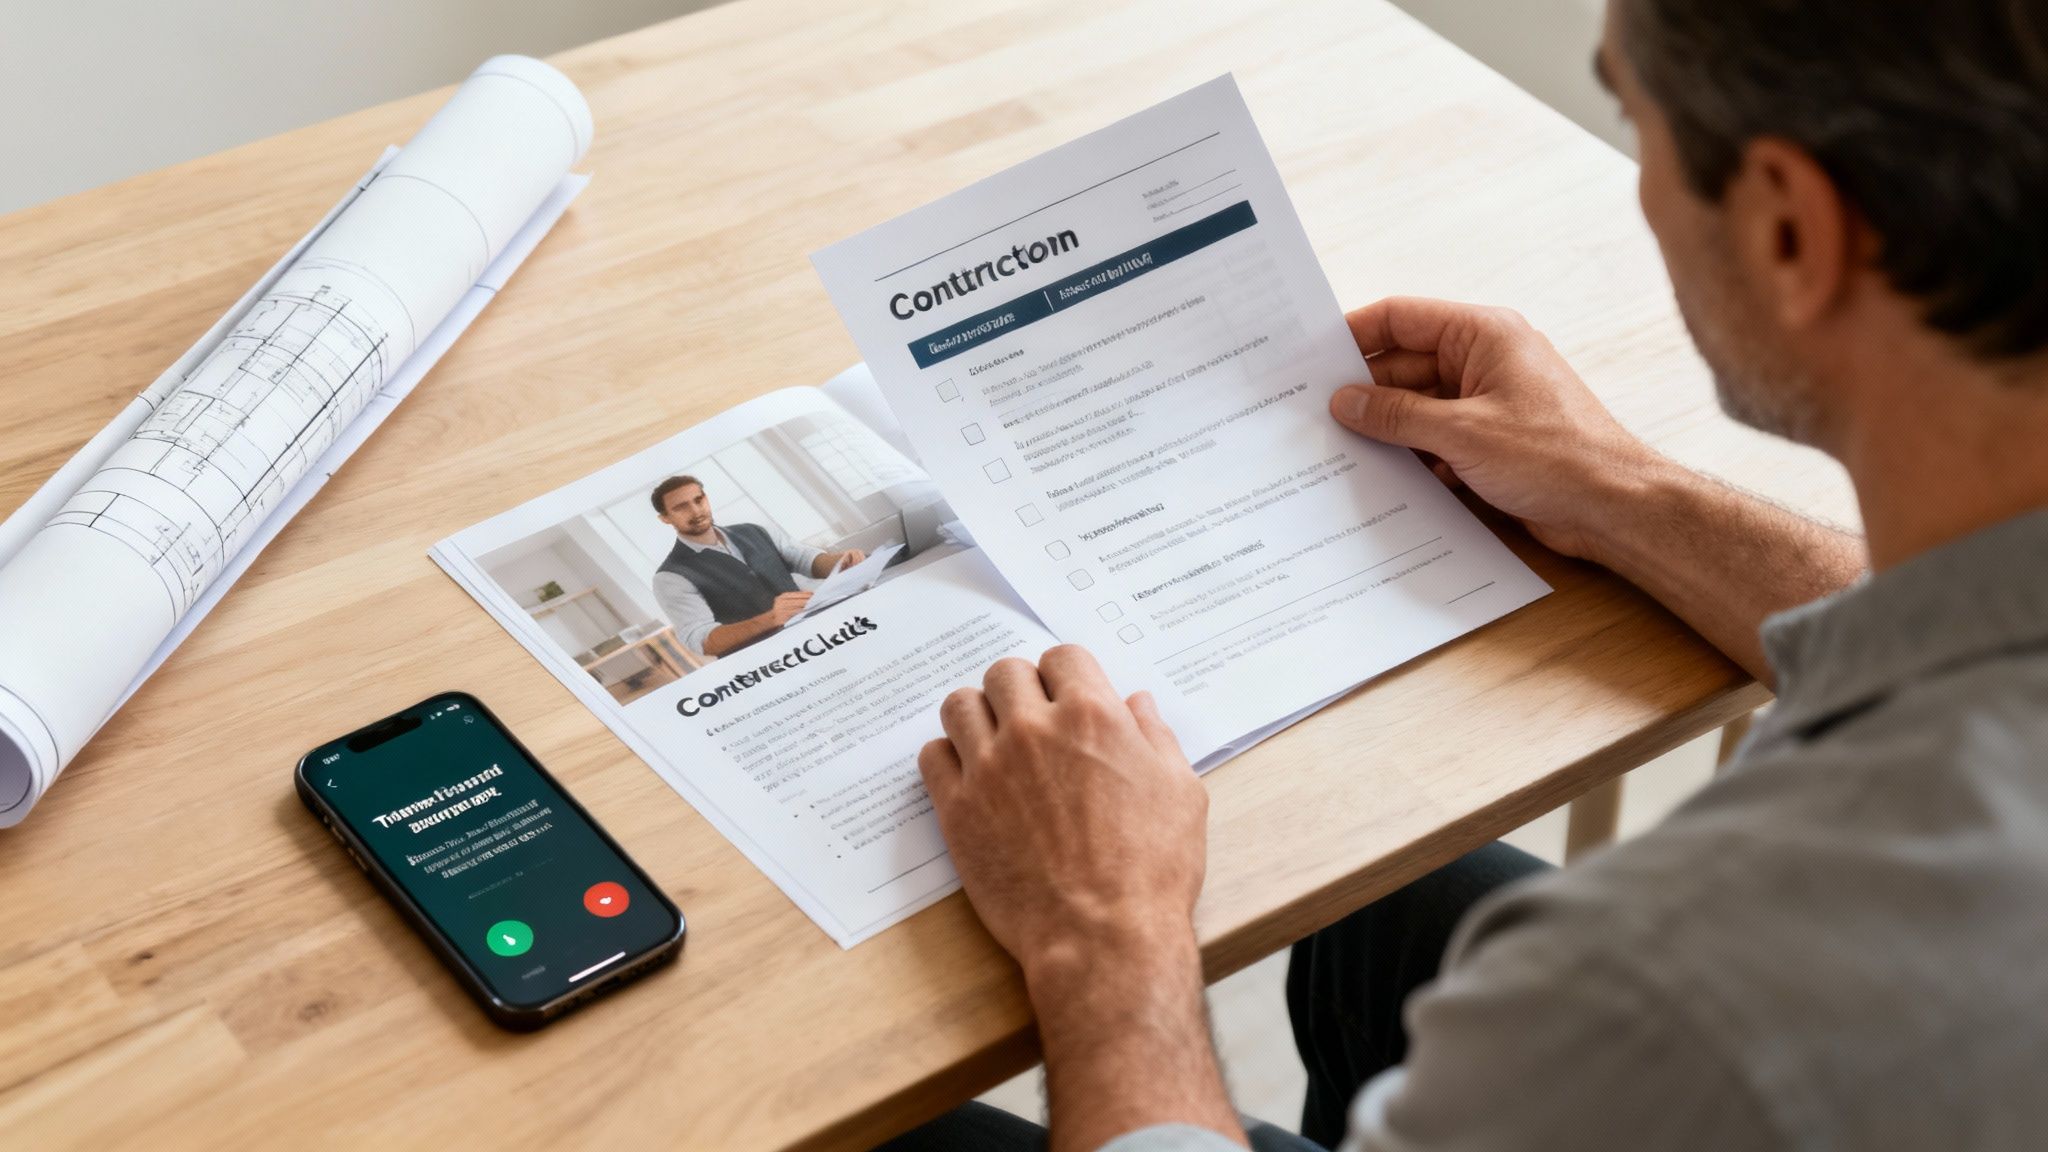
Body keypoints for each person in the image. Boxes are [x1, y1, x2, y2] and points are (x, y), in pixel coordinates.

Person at [884, 0, 2048, 1149]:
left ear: (1790, 231)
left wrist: (1103, 929)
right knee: (1389, 917)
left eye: (1635, 124)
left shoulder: (1662, 998)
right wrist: (1613, 493)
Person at [649, 475, 865, 659]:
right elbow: (701, 640)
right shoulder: (670, 577)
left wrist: (839, 562)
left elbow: (804, 558)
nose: (696, 511)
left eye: (699, 500)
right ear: (665, 518)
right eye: (681, 507)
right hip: (764, 662)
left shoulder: (754, 531)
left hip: (817, 636)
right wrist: (771, 619)